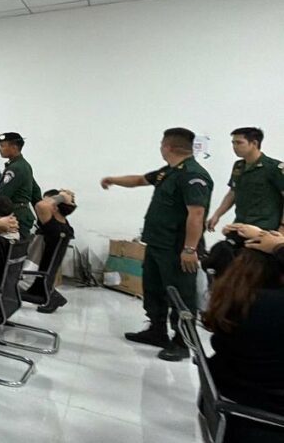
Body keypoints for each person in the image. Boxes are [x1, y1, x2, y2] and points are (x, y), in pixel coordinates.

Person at [102, 127, 213, 361]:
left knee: (180, 295)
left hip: (177, 248)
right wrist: (113, 180)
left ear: (168, 147)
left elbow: (196, 214)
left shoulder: (193, 175)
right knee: (153, 289)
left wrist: (189, 249)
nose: (160, 147)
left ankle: (182, 342)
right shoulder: (168, 171)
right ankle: (157, 331)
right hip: (157, 243)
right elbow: (139, 180)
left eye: (162, 144)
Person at [202, 229, 284, 443]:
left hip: (227, 404)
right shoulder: (274, 308)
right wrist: (279, 247)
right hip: (265, 418)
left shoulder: (240, 301)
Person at [207, 127, 284, 240]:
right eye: (233, 143)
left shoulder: (274, 168)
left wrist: (282, 227)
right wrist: (217, 215)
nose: (235, 147)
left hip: (265, 228)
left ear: (254, 143)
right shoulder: (239, 166)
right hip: (240, 226)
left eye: (239, 143)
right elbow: (233, 192)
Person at [27, 189, 77, 313]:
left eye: (50, 202)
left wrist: (62, 196)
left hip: (40, 278)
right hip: (43, 276)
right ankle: (51, 296)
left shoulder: (54, 227)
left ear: (54, 208)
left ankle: (53, 296)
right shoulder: (63, 225)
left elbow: (40, 205)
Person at [0, 132, 38, 237]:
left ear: (14, 147)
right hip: (22, 214)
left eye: (2, 146)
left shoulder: (15, 168)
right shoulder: (24, 165)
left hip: (16, 215)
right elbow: (36, 191)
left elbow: (2, 195)